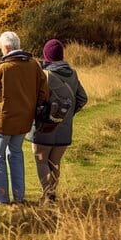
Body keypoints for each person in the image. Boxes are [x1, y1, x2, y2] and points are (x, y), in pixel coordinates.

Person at [0, 31, 49, 205]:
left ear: (6, 47)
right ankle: (19, 196)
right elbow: (43, 92)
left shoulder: (4, 67)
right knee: (16, 155)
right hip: (25, 119)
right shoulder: (34, 65)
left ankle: (1, 197)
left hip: (3, 120)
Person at [27, 39, 88, 203]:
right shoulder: (73, 73)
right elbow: (83, 98)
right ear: (61, 55)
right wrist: (67, 114)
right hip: (65, 127)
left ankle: (48, 195)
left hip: (45, 126)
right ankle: (52, 194)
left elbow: (35, 98)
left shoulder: (45, 74)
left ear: (46, 55)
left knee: (41, 161)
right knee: (54, 163)